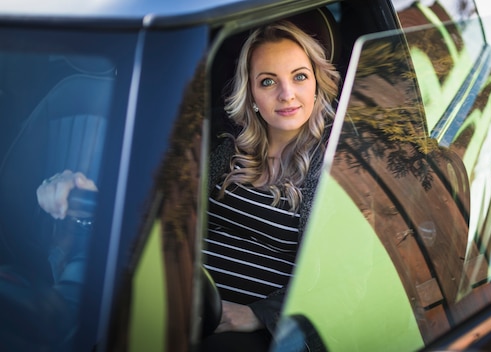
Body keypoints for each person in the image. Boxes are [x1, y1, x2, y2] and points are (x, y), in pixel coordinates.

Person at [36, 20, 340, 350]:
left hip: (250, 334)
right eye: (268, 81)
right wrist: (90, 192)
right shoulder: (227, 150)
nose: (286, 94)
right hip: (174, 301)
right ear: (251, 94)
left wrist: (258, 314)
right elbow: (161, 201)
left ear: (316, 82)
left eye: (299, 76)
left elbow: (342, 277)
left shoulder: (338, 165)